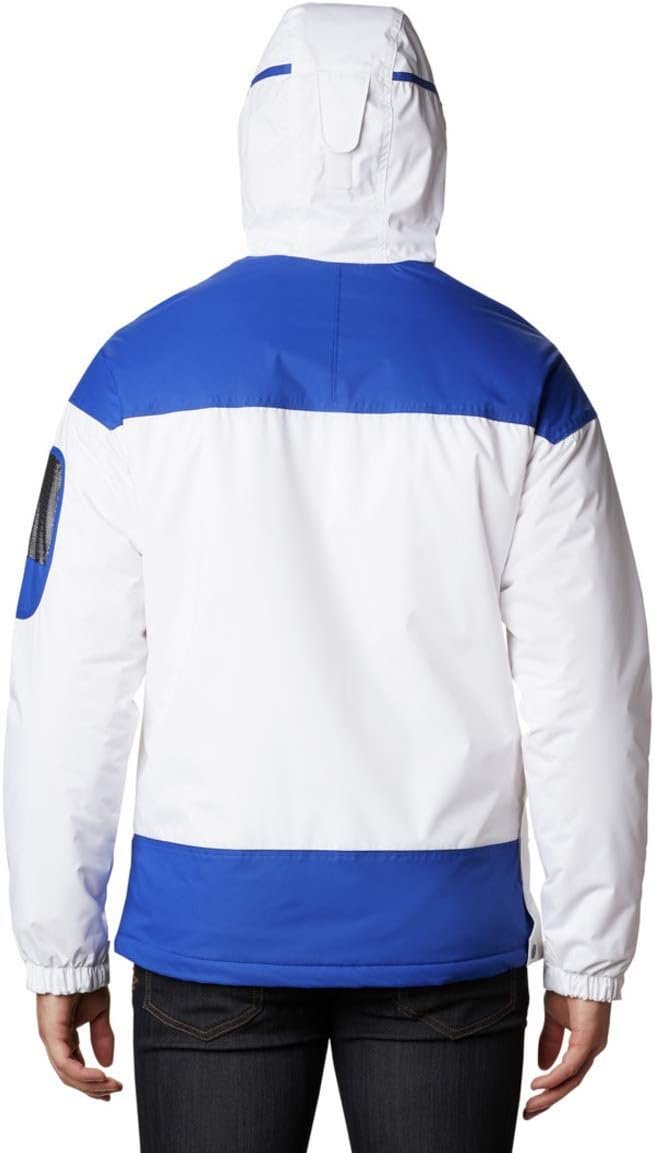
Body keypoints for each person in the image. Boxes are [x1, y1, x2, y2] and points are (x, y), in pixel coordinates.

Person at [3, 5, 650, 1152]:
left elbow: (66, 684)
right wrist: (590, 953)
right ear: (428, 137)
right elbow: (591, 691)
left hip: (214, 928)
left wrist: (61, 943)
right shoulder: (528, 382)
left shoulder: (130, 379)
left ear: (256, 136)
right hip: (443, 937)